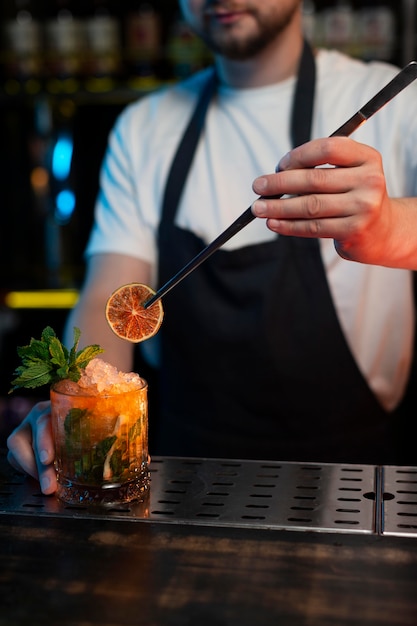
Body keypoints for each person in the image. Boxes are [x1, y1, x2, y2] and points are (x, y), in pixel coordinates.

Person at [7, 0, 417, 495]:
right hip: (183, 477)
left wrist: (394, 226)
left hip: (353, 477)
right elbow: (109, 299)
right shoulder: (144, 127)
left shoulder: (394, 102)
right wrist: (79, 400)